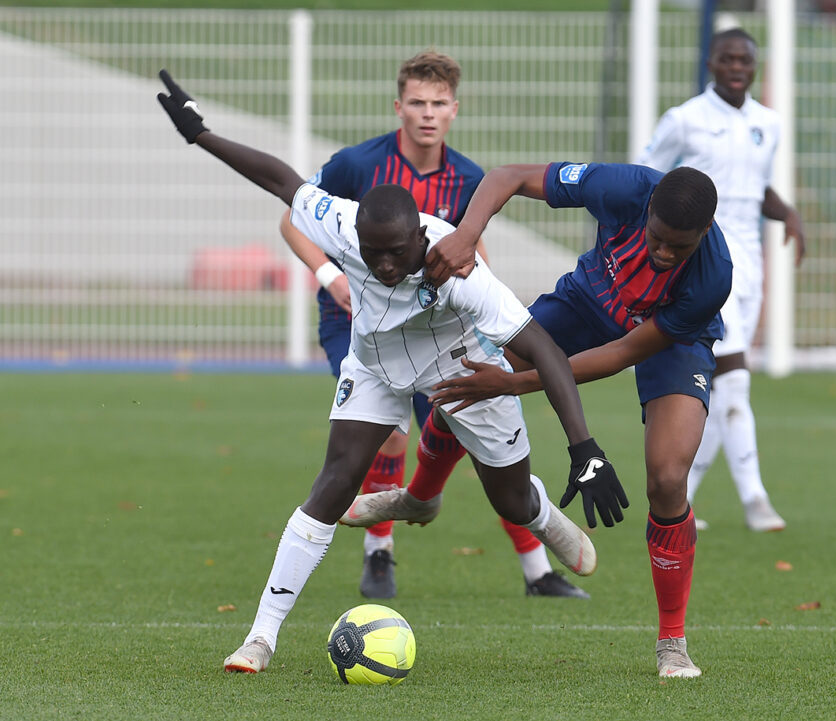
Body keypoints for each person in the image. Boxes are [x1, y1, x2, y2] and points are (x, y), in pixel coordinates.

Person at [155, 70, 628, 674]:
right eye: (371, 251)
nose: (382, 264)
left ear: (418, 239)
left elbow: (544, 350)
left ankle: (535, 511)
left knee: (508, 498)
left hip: (459, 367)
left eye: (395, 253)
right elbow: (279, 179)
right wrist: (202, 135)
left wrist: (584, 446)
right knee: (334, 481)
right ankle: (260, 638)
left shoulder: (457, 266)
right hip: (376, 366)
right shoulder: (342, 222)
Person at [343, 159, 732, 678]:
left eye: (678, 247)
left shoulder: (712, 277)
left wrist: (513, 383)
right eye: (656, 238)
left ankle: (672, 643)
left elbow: (623, 353)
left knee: (666, 480)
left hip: (668, 343)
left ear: (704, 232)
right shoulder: (623, 188)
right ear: (647, 210)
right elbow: (507, 177)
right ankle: (421, 497)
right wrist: (466, 234)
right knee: (465, 374)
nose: (663, 253)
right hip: (587, 300)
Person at [282, 50, 589, 600]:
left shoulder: (468, 176)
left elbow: (472, 251)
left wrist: (486, 316)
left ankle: (536, 569)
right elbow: (294, 218)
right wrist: (331, 277)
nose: (427, 113)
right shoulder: (358, 164)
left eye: (439, 104)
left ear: (455, 110)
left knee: (473, 422)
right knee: (391, 434)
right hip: (358, 323)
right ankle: (380, 556)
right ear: (398, 106)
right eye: (417, 103)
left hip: (435, 325)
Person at [636, 27, 805, 532]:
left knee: (721, 381)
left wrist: (788, 214)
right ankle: (755, 498)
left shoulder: (767, 125)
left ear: (755, 67)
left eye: (745, 60)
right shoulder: (684, 120)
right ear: (710, 62)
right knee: (734, 377)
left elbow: (753, 189)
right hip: (703, 261)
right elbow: (648, 180)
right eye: (727, 58)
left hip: (750, 264)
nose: (736, 67)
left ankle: (682, 493)